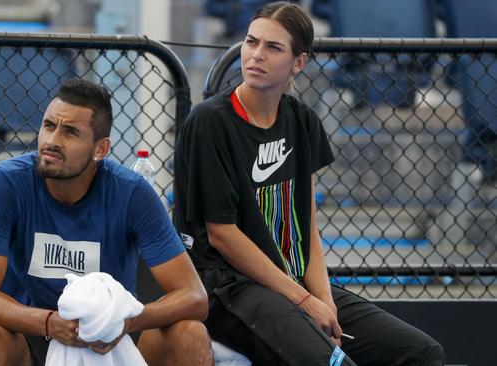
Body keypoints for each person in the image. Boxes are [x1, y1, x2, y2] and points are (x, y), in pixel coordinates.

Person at [174, 2, 445, 365]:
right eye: (251, 42)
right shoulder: (209, 121)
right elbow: (223, 235)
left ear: (297, 62)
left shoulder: (302, 120)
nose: (256, 55)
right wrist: (304, 301)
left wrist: (325, 302)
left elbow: (307, 225)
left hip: (291, 283)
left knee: (422, 352)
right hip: (230, 288)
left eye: (273, 47)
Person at [0, 79, 213, 366]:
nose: (52, 140)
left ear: (100, 149)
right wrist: (48, 323)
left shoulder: (132, 192)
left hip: (109, 345)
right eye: (49, 125)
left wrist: (121, 322)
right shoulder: (4, 182)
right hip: (31, 336)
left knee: (189, 334)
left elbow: (194, 297)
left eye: (70, 132)